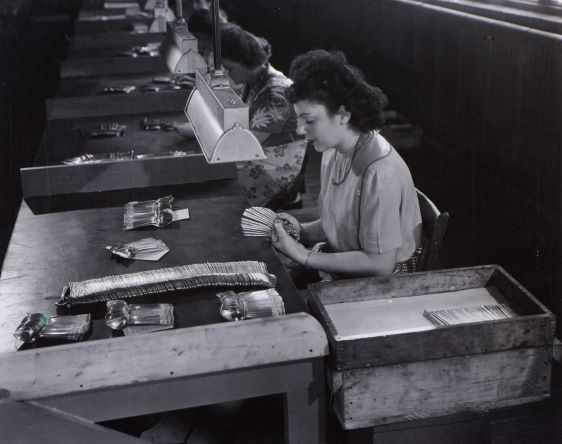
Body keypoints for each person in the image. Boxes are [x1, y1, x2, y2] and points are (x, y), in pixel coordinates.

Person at [272, 50, 422, 282]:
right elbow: (344, 224)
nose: (301, 129)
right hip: (350, 261)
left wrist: (302, 255)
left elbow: (381, 265)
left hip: (384, 282)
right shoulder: (333, 150)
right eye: (299, 119)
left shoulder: (380, 173)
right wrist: (302, 230)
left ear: (343, 115)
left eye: (309, 120)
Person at [175, 24, 307, 208]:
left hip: (277, 169)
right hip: (264, 154)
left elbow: (246, 145)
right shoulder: (257, 80)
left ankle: (283, 200)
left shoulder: (276, 93)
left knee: (203, 180)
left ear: (247, 62)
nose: (227, 74)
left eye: (230, 68)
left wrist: (200, 130)